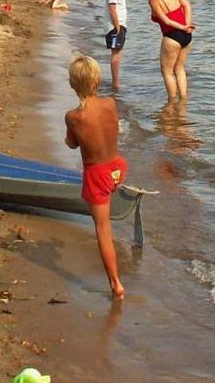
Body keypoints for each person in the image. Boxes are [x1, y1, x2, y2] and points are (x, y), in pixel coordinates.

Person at [63, 55, 127, 300]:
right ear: (98, 80)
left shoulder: (73, 117)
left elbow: (71, 144)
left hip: (97, 174)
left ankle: (115, 284)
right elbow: (111, 128)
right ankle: (117, 188)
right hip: (117, 167)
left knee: (103, 229)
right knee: (109, 189)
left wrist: (70, 140)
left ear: (72, 84)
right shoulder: (110, 103)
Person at [135, 0, 194, 104]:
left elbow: (166, 20)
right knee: (180, 68)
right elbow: (187, 5)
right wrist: (187, 24)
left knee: (167, 71)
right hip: (187, 35)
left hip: (173, 36)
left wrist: (183, 27)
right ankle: (183, 101)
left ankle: (172, 103)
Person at [104, 0, 137, 90]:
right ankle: (115, 82)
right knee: (116, 54)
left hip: (119, 25)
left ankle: (116, 80)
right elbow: (112, 9)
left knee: (118, 53)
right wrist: (117, 26)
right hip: (115, 26)